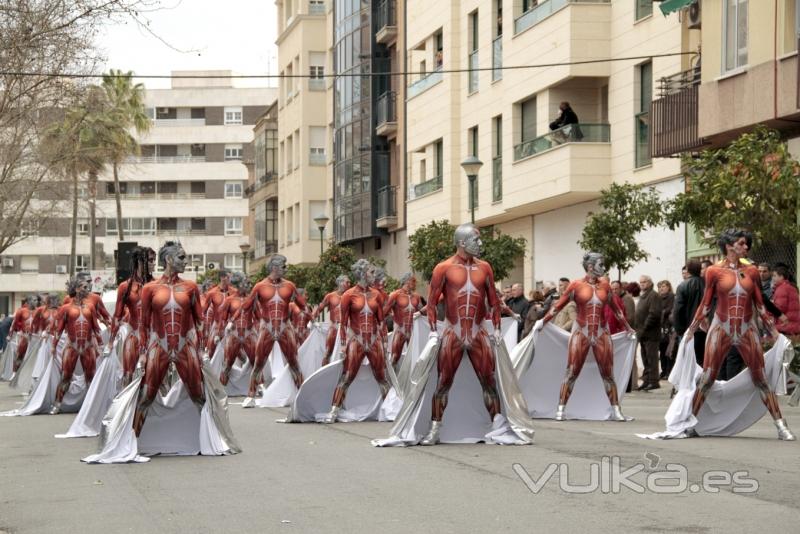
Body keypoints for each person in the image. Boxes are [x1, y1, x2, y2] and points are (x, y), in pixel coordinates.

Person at [685, 229, 795, 440]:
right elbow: (706, 304)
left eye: (747, 244)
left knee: (761, 378)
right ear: (729, 246)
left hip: (746, 328)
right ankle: (689, 423)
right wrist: (691, 330)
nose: (746, 247)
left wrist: (773, 331)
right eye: (742, 243)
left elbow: (759, 304)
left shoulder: (751, 271)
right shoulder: (714, 271)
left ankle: (781, 426)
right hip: (721, 327)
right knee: (707, 378)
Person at [421, 223, 506, 444]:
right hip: (453, 331)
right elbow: (431, 303)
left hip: (479, 332)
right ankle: (434, 429)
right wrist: (433, 331)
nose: (480, 244)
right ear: (461, 243)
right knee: (443, 382)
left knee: (489, 381)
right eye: (475, 240)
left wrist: (496, 328)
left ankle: (497, 426)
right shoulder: (443, 268)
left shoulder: (485, 267)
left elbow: (494, 302)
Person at [540, 252, 634, 421]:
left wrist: (628, 327)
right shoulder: (576, 285)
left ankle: (616, 410)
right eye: (600, 264)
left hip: (601, 331)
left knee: (607, 373)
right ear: (590, 267)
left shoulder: (605, 285)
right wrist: (543, 322)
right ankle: (560, 408)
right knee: (572, 371)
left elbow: (616, 309)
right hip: (581, 331)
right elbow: (558, 306)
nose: (603, 268)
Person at [132, 242, 206, 435]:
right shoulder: (150, 289)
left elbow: (200, 321)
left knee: (199, 395)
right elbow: (143, 324)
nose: (186, 261)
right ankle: (132, 440)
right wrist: (142, 353)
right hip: (159, 347)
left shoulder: (190, 287)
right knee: (146, 395)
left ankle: (209, 438)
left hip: (184, 346)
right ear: (168, 259)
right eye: (181, 257)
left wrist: (202, 350)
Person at [321, 259, 392, 424]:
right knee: (347, 376)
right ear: (361, 273)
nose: (373, 275)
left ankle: (390, 409)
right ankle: (334, 410)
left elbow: (381, 321)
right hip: (357, 340)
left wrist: (385, 342)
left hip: (374, 340)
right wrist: (344, 345)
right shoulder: (348, 295)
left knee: (382, 376)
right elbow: (343, 323)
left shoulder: (377, 295)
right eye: (370, 272)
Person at [239, 254, 306, 407]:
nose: (286, 269)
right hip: (267, 327)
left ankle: (301, 394)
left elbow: (302, 305)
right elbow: (246, 307)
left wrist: (307, 315)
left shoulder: (289, 285)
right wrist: (245, 322)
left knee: (293, 362)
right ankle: (250, 395)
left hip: (284, 326)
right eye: (283, 266)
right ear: (274, 267)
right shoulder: (260, 286)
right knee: (259, 362)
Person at [50, 274, 103, 414]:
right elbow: (59, 329)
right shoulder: (66, 308)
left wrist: (102, 345)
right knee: (65, 376)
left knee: (90, 378)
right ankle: (57, 404)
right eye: (84, 287)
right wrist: (53, 346)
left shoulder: (91, 306)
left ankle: (91, 407)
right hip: (71, 347)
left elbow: (96, 327)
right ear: (77, 289)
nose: (88, 289)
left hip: (88, 347)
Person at [109, 246, 155, 387]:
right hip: (133, 336)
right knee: (128, 376)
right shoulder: (125, 287)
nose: (154, 264)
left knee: (155, 379)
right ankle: (128, 408)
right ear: (140, 262)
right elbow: (117, 316)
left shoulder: (157, 285)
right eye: (151, 260)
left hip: (153, 338)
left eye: (154, 260)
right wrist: (110, 342)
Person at [216, 272, 256, 386]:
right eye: (246, 283)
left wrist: (261, 330)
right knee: (228, 362)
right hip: (234, 334)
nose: (249, 285)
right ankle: (222, 388)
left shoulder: (251, 299)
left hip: (249, 333)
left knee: (256, 362)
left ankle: (258, 387)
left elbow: (258, 316)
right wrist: (218, 334)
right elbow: (222, 318)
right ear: (239, 284)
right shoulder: (229, 300)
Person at [383, 273, 425, 371]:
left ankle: (412, 380)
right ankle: (391, 381)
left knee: (416, 357)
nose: (416, 284)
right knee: (394, 357)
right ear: (407, 281)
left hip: (413, 331)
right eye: (413, 281)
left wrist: (422, 311)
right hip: (400, 330)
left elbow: (423, 310)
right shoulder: (395, 295)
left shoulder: (416, 296)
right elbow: (384, 312)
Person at [310, 275, 351, 366]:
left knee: (347, 353)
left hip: (346, 329)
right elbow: (320, 308)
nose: (349, 284)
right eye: (347, 282)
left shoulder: (350, 296)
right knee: (328, 352)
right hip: (334, 327)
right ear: (340, 283)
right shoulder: (330, 296)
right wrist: (313, 319)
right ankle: (324, 373)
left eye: (349, 282)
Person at [673, 260, 706, 367]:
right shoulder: (707, 284)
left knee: (688, 362)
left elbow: (678, 310)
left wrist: (679, 330)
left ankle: (690, 383)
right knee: (702, 360)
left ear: (688, 270)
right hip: (705, 328)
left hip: (689, 329)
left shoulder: (683, 286)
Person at [635, 275, 661, 391]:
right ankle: (646, 380)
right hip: (642, 333)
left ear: (650, 283)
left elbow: (654, 314)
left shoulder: (653, 295)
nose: (642, 284)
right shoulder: (643, 295)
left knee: (652, 358)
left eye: (644, 282)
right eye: (640, 282)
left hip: (650, 333)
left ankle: (653, 381)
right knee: (645, 358)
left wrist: (645, 327)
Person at [203, 270, 236, 357]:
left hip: (232, 326)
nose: (230, 279)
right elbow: (203, 312)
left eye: (230, 277)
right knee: (210, 352)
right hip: (217, 325)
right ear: (222, 278)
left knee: (235, 353)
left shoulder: (235, 292)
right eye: (228, 277)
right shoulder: (212, 293)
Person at [771, 263, 800, 335]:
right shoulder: (791, 287)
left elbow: (780, 308)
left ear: (781, 277)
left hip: (785, 324)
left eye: (774, 276)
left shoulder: (782, 289)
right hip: (794, 323)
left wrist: (768, 310)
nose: (773, 278)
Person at [657, 280, 676, 379]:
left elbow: (670, 309)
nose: (661, 288)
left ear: (668, 287)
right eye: (660, 287)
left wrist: (662, 312)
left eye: (663, 286)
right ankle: (663, 370)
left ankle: (669, 371)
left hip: (669, 326)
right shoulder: (658, 298)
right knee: (662, 349)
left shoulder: (672, 296)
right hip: (660, 327)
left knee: (669, 350)